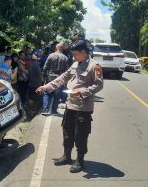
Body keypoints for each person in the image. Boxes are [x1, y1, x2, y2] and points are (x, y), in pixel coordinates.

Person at [36, 40, 103, 173]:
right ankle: (67, 156)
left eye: (76, 54)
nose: (74, 57)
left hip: (83, 108)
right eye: (73, 54)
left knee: (81, 135)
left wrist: (82, 92)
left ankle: (80, 160)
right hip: (70, 105)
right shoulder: (75, 64)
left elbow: (99, 85)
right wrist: (46, 87)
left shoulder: (94, 66)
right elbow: (62, 78)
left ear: (84, 52)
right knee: (67, 131)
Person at [42, 43, 69, 116]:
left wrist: (44, 77)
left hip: (50, 77)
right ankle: (53, 111)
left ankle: (45, 110)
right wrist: (65, 82)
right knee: (57, 95)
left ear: (56, 48)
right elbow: (67, 71)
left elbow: (45, 67)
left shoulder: (51, 55)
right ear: (62, 49)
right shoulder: (65, 58)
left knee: (47, 93)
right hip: (60, 79)